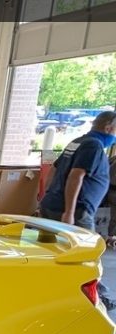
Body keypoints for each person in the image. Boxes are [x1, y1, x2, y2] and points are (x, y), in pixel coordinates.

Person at [38, 110, 116, 309]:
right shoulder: (94, 146)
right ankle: (92, 297)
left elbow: (54, 169)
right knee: (85, 255)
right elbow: (76, 176)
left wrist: (47, 195)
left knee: (53, 250)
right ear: (108, 127)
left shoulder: (78, 141)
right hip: (76, 210)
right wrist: (69, 212)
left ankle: (50, 288)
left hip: (53, 204)